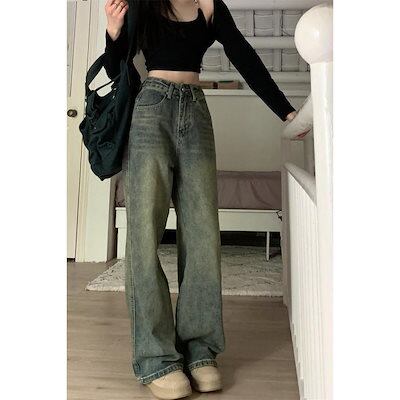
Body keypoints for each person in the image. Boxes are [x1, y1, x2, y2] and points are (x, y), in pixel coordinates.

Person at [104, 1, 298, 398]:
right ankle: (156, 358)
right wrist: (113, 31)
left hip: (195, 110)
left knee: (203, 234)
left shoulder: (209, 4)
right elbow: (115, 69)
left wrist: (286, 112)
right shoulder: (142, 3)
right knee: (144, 237)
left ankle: (200, 350)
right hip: (150, 110)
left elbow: (244, 56)